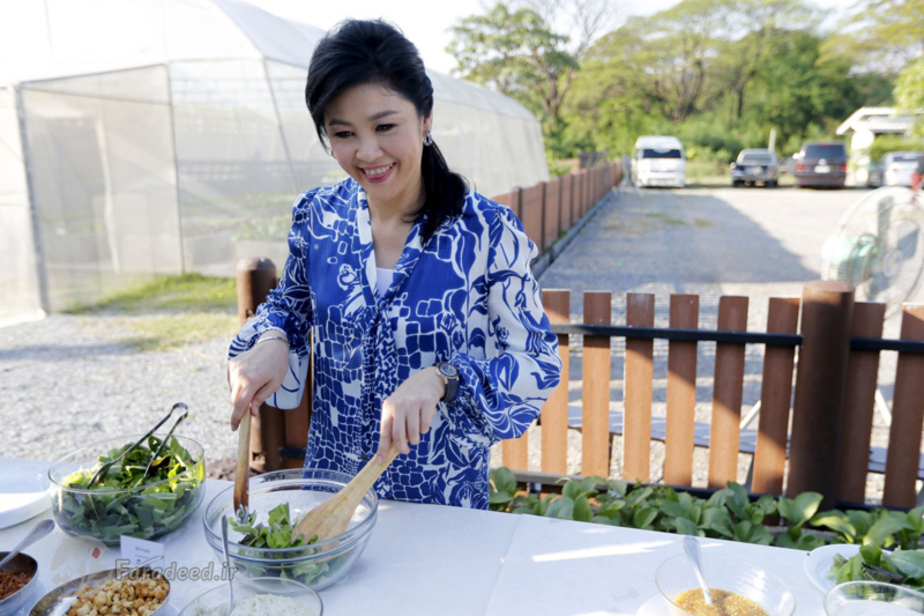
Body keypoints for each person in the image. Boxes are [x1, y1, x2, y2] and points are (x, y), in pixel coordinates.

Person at [227, 19, 562, 510]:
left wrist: (443, 378)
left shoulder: (487, 232)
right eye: (344, 133)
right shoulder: (319, 217)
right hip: (329, 501)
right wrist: (274, 340)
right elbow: (289, 306)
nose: (367, 152)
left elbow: (537, 361)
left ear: (425, 119)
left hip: (440, 508)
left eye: (385, 126)